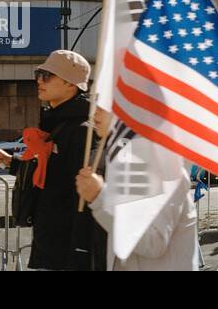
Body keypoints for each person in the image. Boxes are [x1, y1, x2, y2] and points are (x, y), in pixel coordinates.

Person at [0, 50, 105, 270]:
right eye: (38, 74)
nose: (39, 81)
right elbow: (50, 173)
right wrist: (11, 161)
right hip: (49, 240)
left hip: (67, 250)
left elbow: (82, 193)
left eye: (47, 75)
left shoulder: (82, 131)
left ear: (71, 83)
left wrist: (80, 252)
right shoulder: (57, 122)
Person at [75, 111, 200, 271]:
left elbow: (154, 242)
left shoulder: (159, 161)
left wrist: (100, 198)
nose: (93, 113)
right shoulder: (126, 158)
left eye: (103, 103)